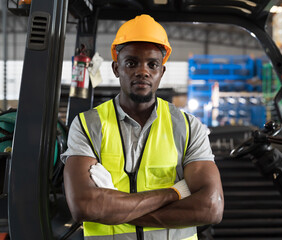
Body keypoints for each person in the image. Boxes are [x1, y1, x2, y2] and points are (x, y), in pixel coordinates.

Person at [62, 14, 224, 240]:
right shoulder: (88, 126)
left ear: (162, 72)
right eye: (131, 63)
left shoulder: (188, 127)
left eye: (152, 64)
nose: (143, 71)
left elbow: (211, 208)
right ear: (116, 68)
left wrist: (114, 208)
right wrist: (174, 193)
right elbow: (84, 207)